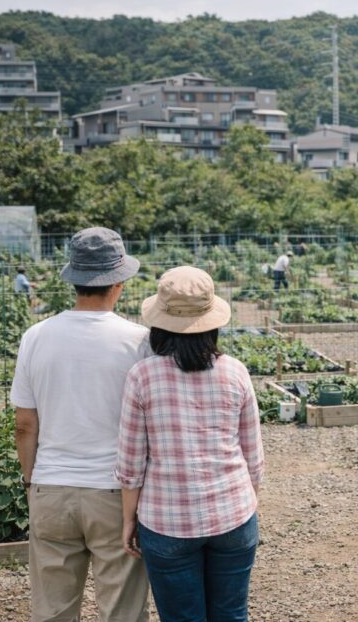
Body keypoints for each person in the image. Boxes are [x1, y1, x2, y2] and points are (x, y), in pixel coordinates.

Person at [11, 227, 150, 622]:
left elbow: (24, 423)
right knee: (121, 607)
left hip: (51, 486)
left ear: (73, 279)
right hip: (115, 493)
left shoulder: (35, 336)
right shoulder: (139, 340)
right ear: (118, 282)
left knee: (53, 609)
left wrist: (29, 481)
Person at [116, 266, 263, 622]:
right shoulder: (235, 371)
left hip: (167, 520)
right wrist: (247, 505)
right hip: (233, 515)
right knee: (231, 615)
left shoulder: (142, 376)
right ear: (212, 321)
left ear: (160, 323)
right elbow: (253, 457)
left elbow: (131, 464)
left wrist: (128, 519)